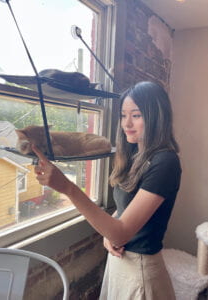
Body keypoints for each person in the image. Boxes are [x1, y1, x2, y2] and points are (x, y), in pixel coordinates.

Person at [33, 81, 181, 300]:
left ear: (156, 117)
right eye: (123, 115)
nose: (126, 124)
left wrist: (68, 188)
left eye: (136, 115)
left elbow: (121, 232)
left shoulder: (165, 162)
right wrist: (107, 236)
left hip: (141, 271)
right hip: (119, 264)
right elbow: (125, 210)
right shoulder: (134, 157)